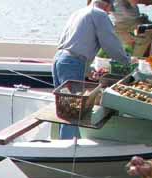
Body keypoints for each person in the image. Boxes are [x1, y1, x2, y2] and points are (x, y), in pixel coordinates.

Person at [54, 0, 130, 139]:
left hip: (59, 59)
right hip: (71, 64)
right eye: (109, 10)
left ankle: (65, 142)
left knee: (64, 110)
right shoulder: (99, 14)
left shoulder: (78, 12)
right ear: (107, 5)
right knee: (74, 111)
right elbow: (110, 44)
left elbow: (72, 44)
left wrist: (87, 69)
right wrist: (127, 60)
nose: (108, 13)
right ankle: (70, 148)